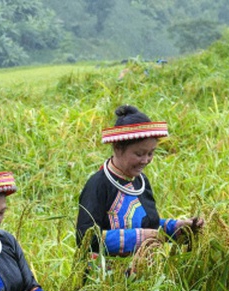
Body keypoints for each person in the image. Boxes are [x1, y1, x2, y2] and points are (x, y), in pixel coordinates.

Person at [76, 104, 205, 266]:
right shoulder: (98, 185)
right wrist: (137, 238)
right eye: (139, 154)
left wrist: (177, 228)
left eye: (151, 153)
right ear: (117, 147)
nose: (145, 160)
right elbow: (85, 239)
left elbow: (148, 225)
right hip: (107, 282)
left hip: (144, 276)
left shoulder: (140, 181)